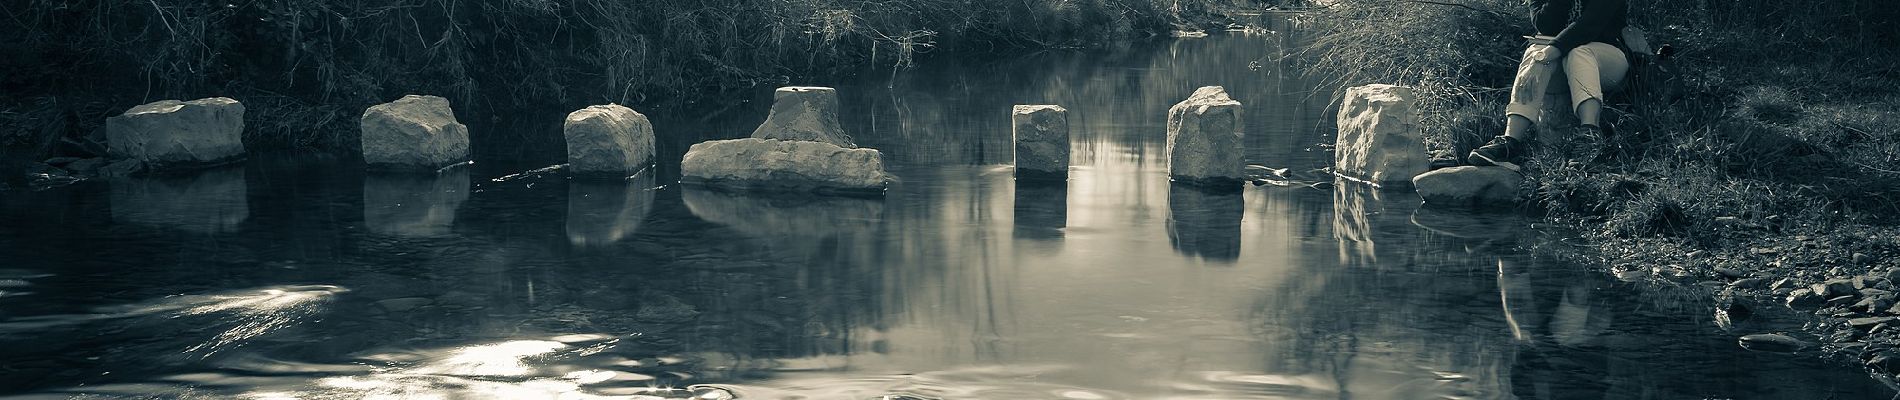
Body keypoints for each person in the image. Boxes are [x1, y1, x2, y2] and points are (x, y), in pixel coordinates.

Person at [1468, 0, 1630, 171]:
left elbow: (1591, 24)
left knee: (1578, 52)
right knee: (1535, 52)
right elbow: (1546, 26)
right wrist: (1541, 57)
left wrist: (1546, 54)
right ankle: (1510, 142)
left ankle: (1589, 135)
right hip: (1563, 61)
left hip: (1608, 60)